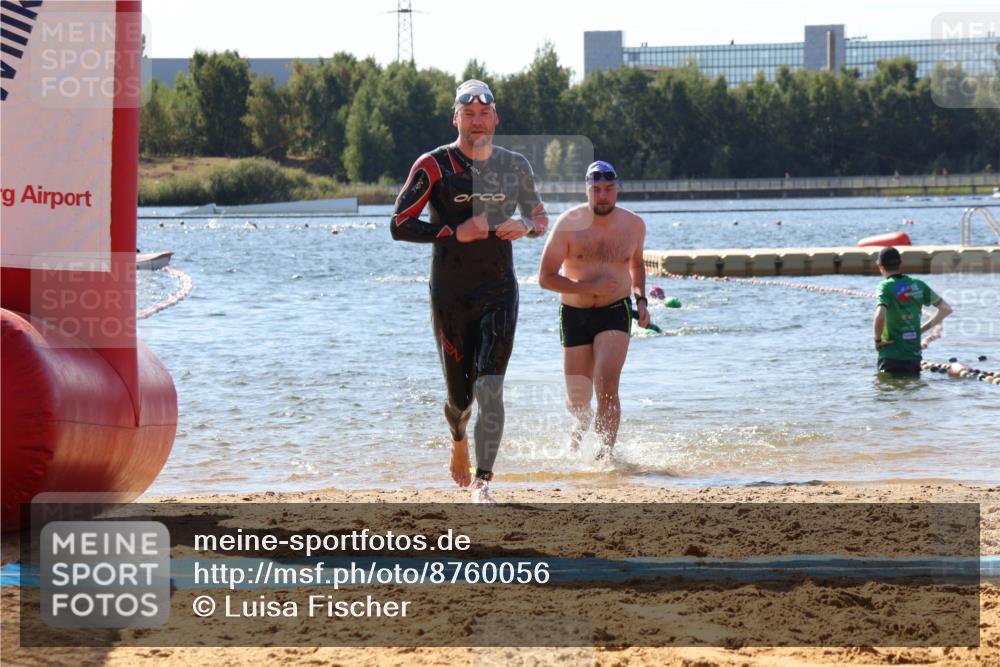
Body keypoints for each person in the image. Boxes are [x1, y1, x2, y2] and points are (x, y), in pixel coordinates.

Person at [390, 80, 548, 503]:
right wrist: (454, 231)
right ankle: (457, 436)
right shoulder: (434, 166)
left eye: (484, 115)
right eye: (469, 115)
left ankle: (483, 481)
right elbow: (399, 224)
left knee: (490, 385)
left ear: (495, 118)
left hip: (499, 288)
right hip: (451, 294)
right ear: (455, 118)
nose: (477, 122)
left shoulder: (515, 165)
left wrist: (528, 226)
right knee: (460, 399)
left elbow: (539, 215)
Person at [538, 161, 647, 459]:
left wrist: (641, 300)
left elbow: (636, 264)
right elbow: (545, 277)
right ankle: (580, 426)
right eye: (596, 189)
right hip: (575, 314)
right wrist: (589, 287)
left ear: (617, 189)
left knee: (608, 384)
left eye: (608, 189)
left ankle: (604, 456)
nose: (602, 196)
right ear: (586, 190)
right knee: (578, 401)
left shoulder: (634, 224)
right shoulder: (568, 223)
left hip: (616, 309)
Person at [873, 246, 952, 376]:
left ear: (881, 267)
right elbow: (946, 309)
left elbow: (880, 316)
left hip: (890, 354)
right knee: (912, 390)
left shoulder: (885, 286)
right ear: (900, 264)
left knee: (888, 391)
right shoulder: (919, 284)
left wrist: (877, 341)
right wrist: (921, 330)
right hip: (913, 356)